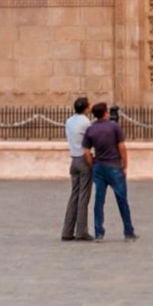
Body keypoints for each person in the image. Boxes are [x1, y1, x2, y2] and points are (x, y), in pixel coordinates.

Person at [85, 102, 135, 239]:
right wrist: (125, 165)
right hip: (114, 166)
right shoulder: (114, 127)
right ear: (105, 112)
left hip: (99, 167)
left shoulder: (91, 129)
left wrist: (92, 164)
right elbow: (122, 147)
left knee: (99, 200)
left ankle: (98, 232)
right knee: (122, 200)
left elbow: (86, 151)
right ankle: (128, 230)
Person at [62, 96, 94, 241]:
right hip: (83, 159)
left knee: (74, 195)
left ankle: (67, 230)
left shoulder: (69, 121)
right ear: (86, 108)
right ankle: (81, 230)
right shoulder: (86, 122)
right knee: (84, 197)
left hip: (73, 159)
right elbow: (90, 141)